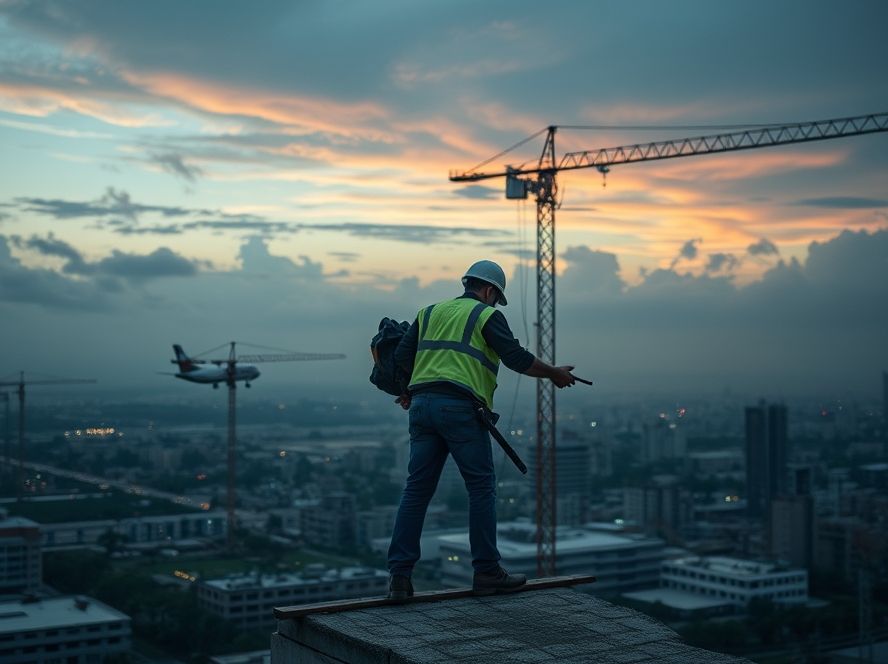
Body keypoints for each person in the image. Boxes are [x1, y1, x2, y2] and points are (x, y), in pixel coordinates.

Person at [386, 259, 576, 600]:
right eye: (495, 298)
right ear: (490, 291)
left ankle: (399, 579)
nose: (494, 303)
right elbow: (516, 358)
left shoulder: (429, 311)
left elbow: (401, 356)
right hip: (459, 409)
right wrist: (553, 373)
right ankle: (487, 572)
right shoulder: (486, 316)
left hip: (422, 407)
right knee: (481, 488)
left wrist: (408, 390)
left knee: (416, 492)